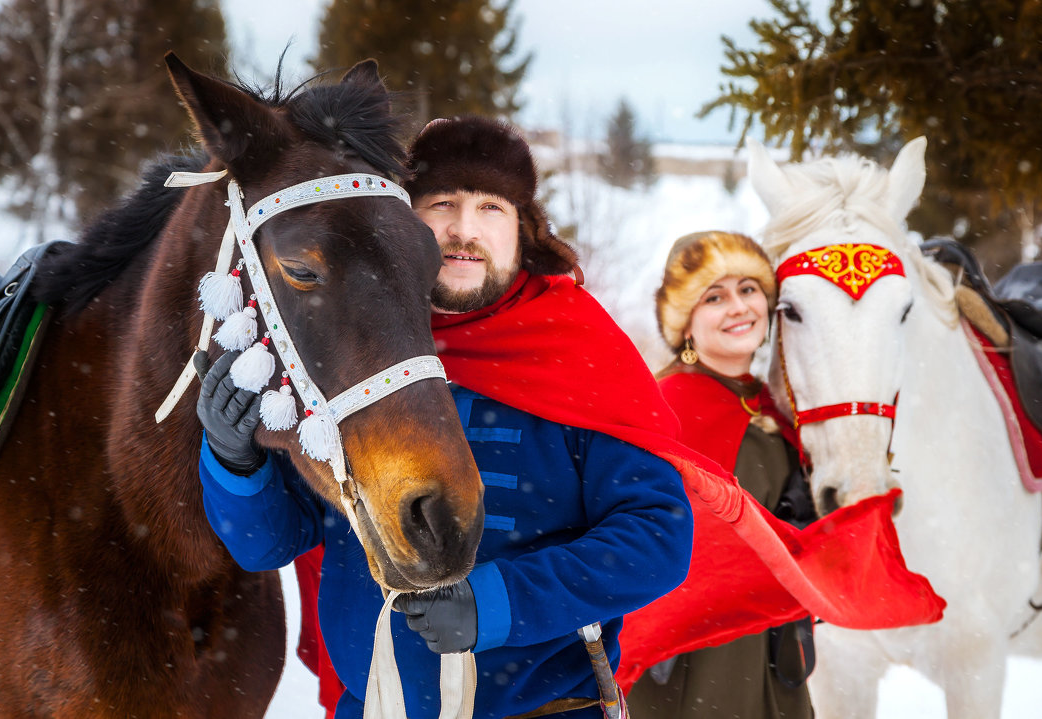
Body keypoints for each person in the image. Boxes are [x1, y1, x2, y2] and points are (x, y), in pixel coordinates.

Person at [195, 116, 695, 719]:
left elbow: (658, 539)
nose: (464, 229)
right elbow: (269, 542)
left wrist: (500, 602)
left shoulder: (581, 355)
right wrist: (235, 462)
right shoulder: (355, 355)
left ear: (523, 231)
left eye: (491, 208)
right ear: (405, 225)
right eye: (442, 204)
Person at [625, 231, 817, 719]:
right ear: (685, 322)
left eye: (749, 289)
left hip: (771, 644)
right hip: (697, 653)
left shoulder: (771, 402)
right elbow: (649, 541)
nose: (739, 307)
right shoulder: (669, 408)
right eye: (715, 297)